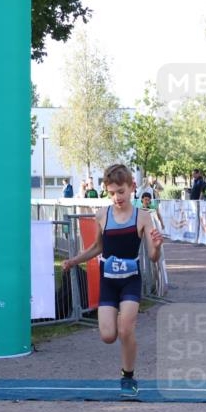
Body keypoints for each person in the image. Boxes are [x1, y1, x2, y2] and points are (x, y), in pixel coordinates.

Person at [61, 163, 163, 397]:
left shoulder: (143, 217)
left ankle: (128, 378)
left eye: (121, 192)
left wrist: (156, 247)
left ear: (132, 187)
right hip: (109, 281)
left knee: (126, 329)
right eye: (112, 193)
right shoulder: (102, 215)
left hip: (131, 281)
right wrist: (74, 260)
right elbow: (98, 247)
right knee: (108, 336)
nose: (117, 197)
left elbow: (153, 257)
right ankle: (119, 327)